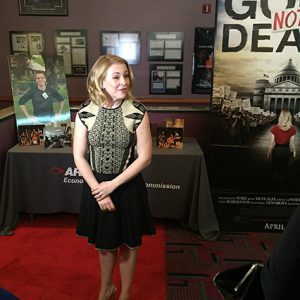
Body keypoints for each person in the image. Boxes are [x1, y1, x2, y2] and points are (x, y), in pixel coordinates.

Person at [73, 54, 156, 300]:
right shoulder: (85, 112)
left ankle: (125, 294)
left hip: (127, 187)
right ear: (101, 82)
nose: (124, 82)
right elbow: (79, 155)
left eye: (126, 75)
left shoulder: (138, 111)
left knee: (129, 244)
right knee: (106, 244)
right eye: (116, 76)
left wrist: (112, 185)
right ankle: (105, 289)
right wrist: (99, 190)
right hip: (97, 187)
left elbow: (145, 158)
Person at [267, 109, 296, 185]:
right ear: (289, 117)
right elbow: (292, 144)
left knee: (275, 168)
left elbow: (271, 143)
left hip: (277, 149)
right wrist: (294, 153)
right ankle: (283, 185)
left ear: (280, 117)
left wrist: (268, 154)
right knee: (284, 168)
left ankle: (275, 186)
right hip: (286, 150)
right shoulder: (292, 129)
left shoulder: (274, 128)